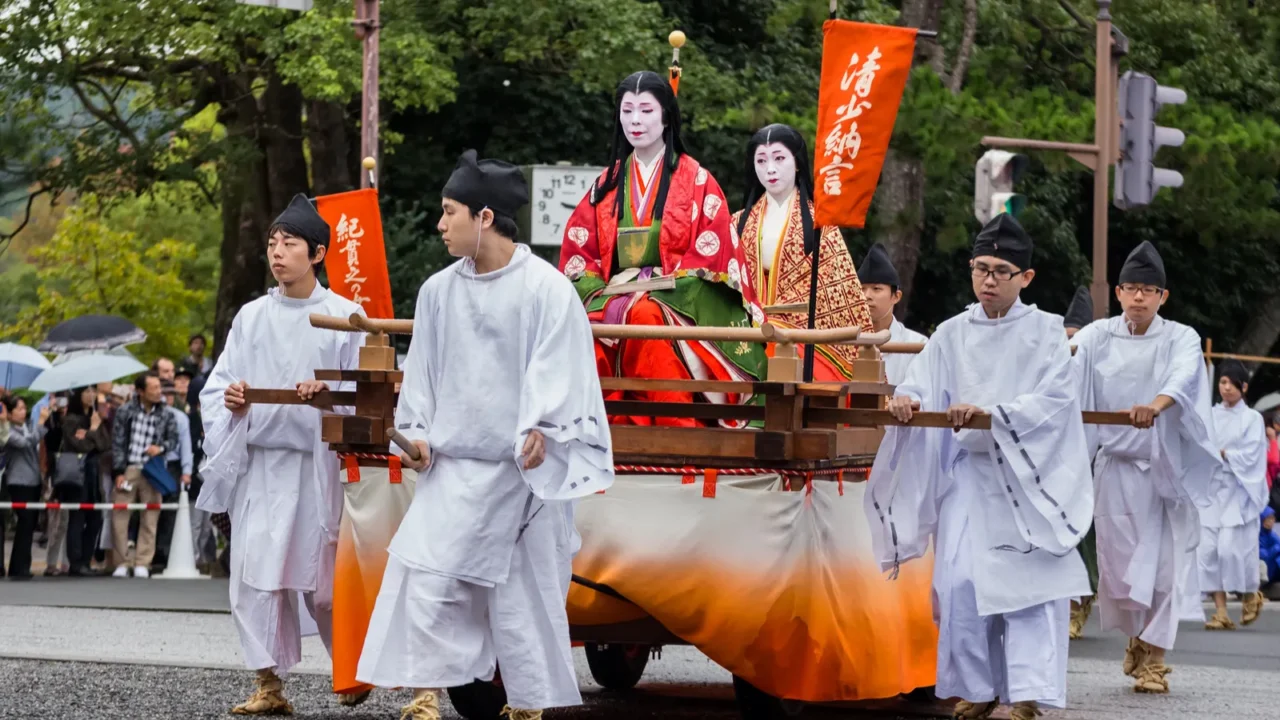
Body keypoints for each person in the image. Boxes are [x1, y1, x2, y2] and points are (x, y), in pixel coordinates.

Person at [357, 150, 614, 720]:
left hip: (519, 470)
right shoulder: (437, 291)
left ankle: (527, 708)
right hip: (453, 467)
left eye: (449, 212)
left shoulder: (546, 289)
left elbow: (563, 370)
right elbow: (422, 371)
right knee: (426, 581)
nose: (440, 224)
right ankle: (425, 694)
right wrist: (418, 432)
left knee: (520, 600)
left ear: (485, 217)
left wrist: (545, 426)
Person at [864, 214, 1093, 720]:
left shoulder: (1048, 332)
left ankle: (1027, 692)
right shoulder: (951, 332)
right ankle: (980, 686)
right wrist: (906, 399)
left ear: (1025, 278)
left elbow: (1056, 398)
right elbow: (922, 380)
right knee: (959, 583)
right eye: (981, 268)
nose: (988, 279)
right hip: (969, 474)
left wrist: (996, 416)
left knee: (1028, 588)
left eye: (1001, 271)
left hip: (1029, 480)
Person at [198, 193, 366, 714]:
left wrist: (331, 395)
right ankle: (268, 684)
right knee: (256, 578)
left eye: (289, 243)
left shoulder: (345, 316)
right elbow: (217, 385)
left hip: (318, 464)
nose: (277, 252)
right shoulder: (251, 316)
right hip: (262, 466)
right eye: (272, 242)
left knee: (325, 585)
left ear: (316, 253)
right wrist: (230, 401)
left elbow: (367, 392)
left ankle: (353, 669)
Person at [559, 70, 764, 427]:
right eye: (627, 110)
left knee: (644, 317)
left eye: (646, 110)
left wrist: (671, 282)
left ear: (666, 117)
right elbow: (581, 250)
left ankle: (675, 424)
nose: (635, 120)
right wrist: (595, 289)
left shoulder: (696, 179)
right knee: (586, 322)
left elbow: (714, 248)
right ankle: (595, 426)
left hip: (676, 289)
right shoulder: (606, 184)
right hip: (614, 290)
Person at [1071, 240, 1219, 694]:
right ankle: (1137, 636)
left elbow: (1182, 377)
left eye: (1148, 290)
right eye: (1131, 288)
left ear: (1162, 297)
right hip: (1113, 469)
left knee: (1162, 569)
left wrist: (1155, 406)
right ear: (1117, 293)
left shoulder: (1181, 337)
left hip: (1161, 471)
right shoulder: (1097, 336)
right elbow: (1065, 366)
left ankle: (1155, 660)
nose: (1139, 297)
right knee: (1118, 571)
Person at [730, 123, 873, 379]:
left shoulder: (821, 224)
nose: (770, 169)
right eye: (761, 160)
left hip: (805, 337)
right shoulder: (737, 222)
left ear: (797, 163)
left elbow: (837, 291)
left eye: (779, 158)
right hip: (746, 328)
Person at [1199, 359, 1268, 629]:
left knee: (1230, 550)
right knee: (1208, 551)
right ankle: (1221, 611)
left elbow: (1253, 454)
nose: (1226, 388)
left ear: (1243, 387)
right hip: (1213, 487)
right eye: (1222, 382)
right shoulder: (1211, 414)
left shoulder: (1252, 419)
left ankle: (1251, 592)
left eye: (1231, 383)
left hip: (1238, 487)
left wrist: (1226, 454)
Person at [109, 373, 179, 578]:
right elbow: (118, 442)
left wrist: (161, 448)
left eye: (159, 387)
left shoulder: (167, 414)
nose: (159, 392)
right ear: (140, 391)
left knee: (151, 516)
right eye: (154, 388)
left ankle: (143, 561)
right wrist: (118, 472)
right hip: (129, 467)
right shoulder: (125, 411)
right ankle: (122, 561)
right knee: (120, 516)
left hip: (153, 468)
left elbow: (173, 440)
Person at [1062, 285, 1098, 640]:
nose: (1071, 346)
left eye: (1077, 338)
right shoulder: (1056, 364)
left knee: (1086, 539)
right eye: (1067, 337)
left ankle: (1083, 598)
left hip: (1093, 461)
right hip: (1060, 462)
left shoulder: (1099, 364)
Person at [56, 386, 111, 577]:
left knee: (96, 519)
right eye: (86, 392)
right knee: (77, 518)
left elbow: (104, 445)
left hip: (94, 473)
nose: (91, 395)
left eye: (93, 391)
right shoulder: (71, 420)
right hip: (78, 473)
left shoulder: (95, 417)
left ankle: (87, 560)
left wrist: (90, 432)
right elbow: (80, 446)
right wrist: (93, 432)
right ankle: (76, 562)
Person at [858, 242, 928, 385]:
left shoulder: (916, 344)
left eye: (876, 289)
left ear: (896, 297)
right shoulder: (845, 342)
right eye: (862, 289)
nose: (867, 296)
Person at [4, 396, 51, 580]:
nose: (24, 411)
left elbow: (37, 438)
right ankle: (18, 567)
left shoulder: (27, 426)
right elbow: (25, 443)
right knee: (24, 523)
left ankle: (23, 564)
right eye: (20, 408)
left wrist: (46, 420)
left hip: (33, 479)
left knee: (29, 525)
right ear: (9, 412)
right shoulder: (7, 430)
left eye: (25, 408)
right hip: (18, 480)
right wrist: (40, 423)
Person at [151, 380, 194, 574]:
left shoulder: (180, 417)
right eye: (164, 393)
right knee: (151, 508)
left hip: (172, 464)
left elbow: (186, 444)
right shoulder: (151, 415)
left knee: (170, 511)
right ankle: (149, 553)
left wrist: (186, 471)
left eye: (170, 394)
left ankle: (164, 553)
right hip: (153, 462)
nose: (167, 397)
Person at [1260, 507, 1280, 589]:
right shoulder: (1256, 535)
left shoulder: (1272, 534)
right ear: (1262, 520)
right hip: (1265, 571)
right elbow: (1263, 555)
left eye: (1273, 518)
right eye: (1270, 518)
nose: (1273, 520)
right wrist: (1276, 548)